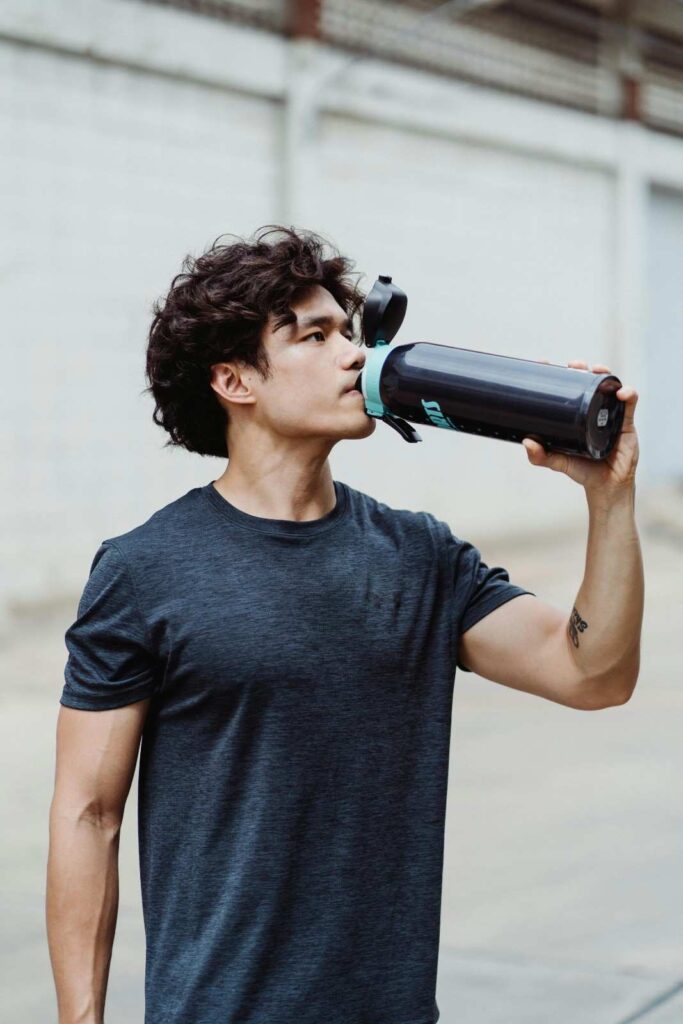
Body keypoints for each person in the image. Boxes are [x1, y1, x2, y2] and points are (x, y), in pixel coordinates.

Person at [46, 225, 643, 1024]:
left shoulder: (418, 555)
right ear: (234, 380)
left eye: (349, 332)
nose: (353, 356)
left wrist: (608, 499)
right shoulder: (145, 570)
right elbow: (89, 813)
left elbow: (592, 674)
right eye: (314, 337)